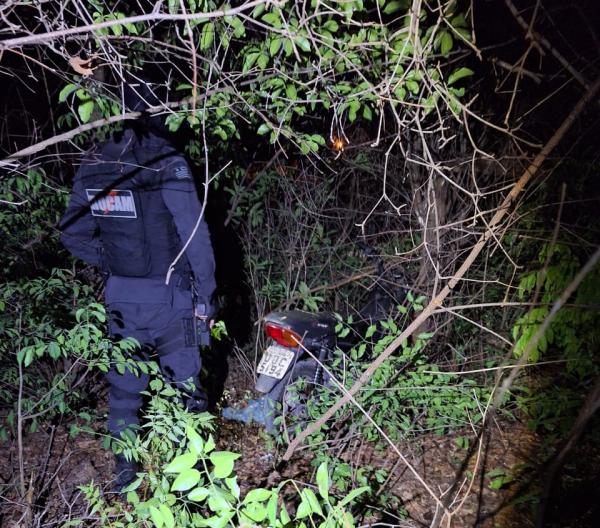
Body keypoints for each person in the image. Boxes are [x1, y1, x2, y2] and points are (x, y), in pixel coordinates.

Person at [59, 77, 216, 491]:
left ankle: (124, 477)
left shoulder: (93, 162)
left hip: (121, 301)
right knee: (185, 389)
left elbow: (71, 233)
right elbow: (196, 235)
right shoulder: (167, 161)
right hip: (170, 297)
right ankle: (193, 489)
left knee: (126, 391)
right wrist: (207, 295)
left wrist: (111, 265)